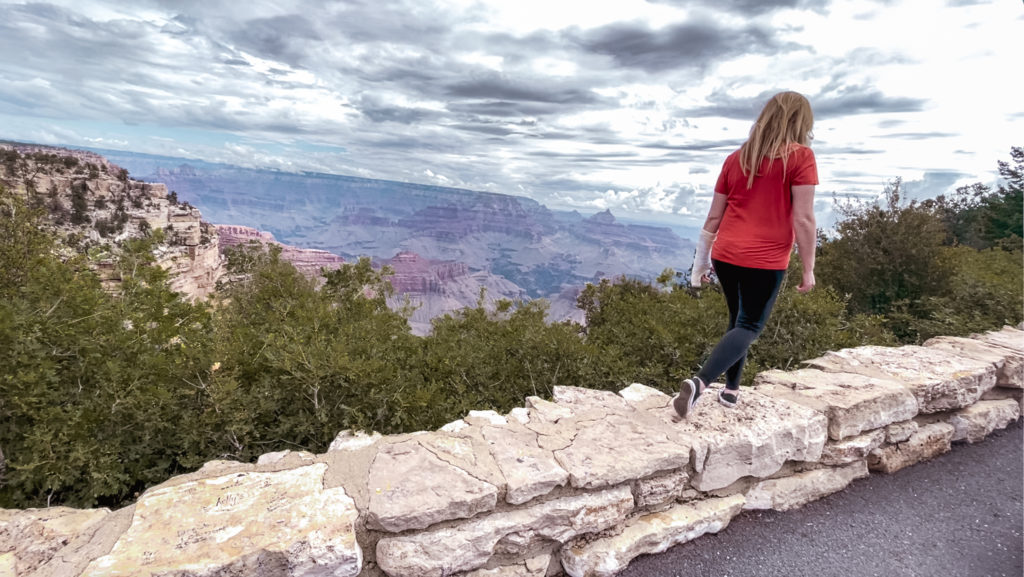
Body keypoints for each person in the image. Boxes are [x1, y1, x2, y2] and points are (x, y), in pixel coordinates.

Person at [674, 91, 818, 419]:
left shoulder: (735, 159)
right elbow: (804, 218)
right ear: (801, 122)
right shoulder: (801, 157)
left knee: (737, 320)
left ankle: (731, 391)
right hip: (764, 260)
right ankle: (700, 382)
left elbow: (713, 218)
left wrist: (699, 265)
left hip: (726, 254)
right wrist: (808, 268)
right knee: (750, 325)